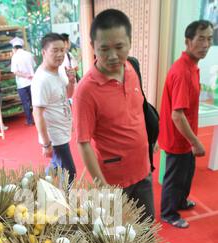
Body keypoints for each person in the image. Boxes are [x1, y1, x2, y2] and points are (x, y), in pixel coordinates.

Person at [73, 9, 155, 221]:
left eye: (119, 47)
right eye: (104, 49)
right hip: (113, 182)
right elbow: (83, 142)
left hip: (143, 170)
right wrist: (102, 186)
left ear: (129, 42)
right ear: (93, 47)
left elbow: (138, 112)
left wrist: (150, 142)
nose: (112, 56)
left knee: (147, 232)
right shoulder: (86, 90)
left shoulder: (131, 68)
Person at [159, 20, 213, 228]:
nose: (206, 44)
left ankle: (180, 201)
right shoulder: (182, 71)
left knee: (186, 173)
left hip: (185, 137)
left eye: (209, 39)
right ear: (188, 41)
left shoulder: (192, 67)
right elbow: (177, 115)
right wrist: (196, 142)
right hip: (177, 138)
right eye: (201, 39)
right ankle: (168, 212)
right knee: (174, 177)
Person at [31, 33, 76, 186]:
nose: (60, 54)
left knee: (56, 167)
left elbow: (67, 95)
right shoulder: (41, 80)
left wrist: (71, 82)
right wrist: (46, 144)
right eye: (55, 50)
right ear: (44, 52)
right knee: (70, 172)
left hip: (62, 131)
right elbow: (37, 114)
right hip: (54, 136)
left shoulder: (60, 70)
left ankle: (36, 188)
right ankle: (63, 201)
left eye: (62, 50)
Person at [10, 37, 36, 126]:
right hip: (32, 82)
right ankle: (37, 119)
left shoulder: (15, 57)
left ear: (14, 48)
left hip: (22, 84)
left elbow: (15, 72)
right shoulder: (29, 54)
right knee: (34, 102)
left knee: (26, 103)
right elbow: (34, 66)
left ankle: (29, 121)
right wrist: (29, 75)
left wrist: (25, 76)